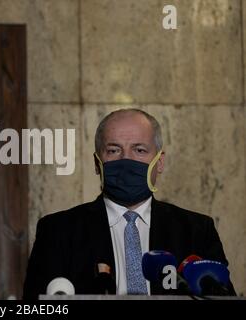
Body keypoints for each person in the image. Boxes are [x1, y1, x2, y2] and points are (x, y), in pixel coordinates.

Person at [23, 108, 235, 299]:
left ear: (159, 162)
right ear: (98, 163)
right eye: (114, 150)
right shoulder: (58, 231)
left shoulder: (197, 231)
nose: (127, 160)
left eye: (139, 150)